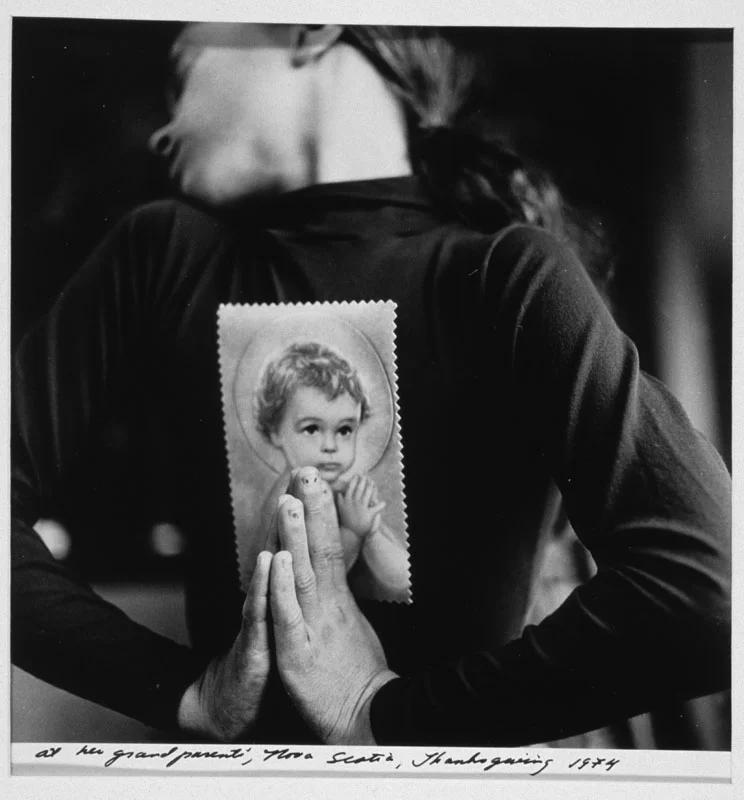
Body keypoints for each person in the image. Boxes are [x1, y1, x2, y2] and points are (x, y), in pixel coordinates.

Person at [11, 22, 730, 746]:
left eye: (182, 72)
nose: (162, 131)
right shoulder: (160, 257)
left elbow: (709, 589)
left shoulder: (511, 277)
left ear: (307, 26)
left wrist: (380, 714)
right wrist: (186, 692)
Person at [252, 341, 410, 600]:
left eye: (344, 430)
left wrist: (371, 532)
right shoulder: (286, 500)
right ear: (275, 431)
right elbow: (307, 582)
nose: (330, 446)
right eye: (312, 428)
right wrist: (354, 531)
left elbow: (400, 579)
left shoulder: (346, 493)